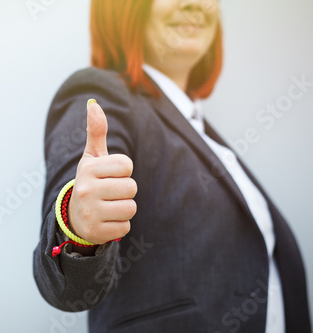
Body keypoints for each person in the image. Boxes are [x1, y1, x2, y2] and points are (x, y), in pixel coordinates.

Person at [33, 0, 311, 332]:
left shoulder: (206, 135)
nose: (194, 4)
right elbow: (65, 283)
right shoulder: (103, 92)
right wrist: (77, 227)